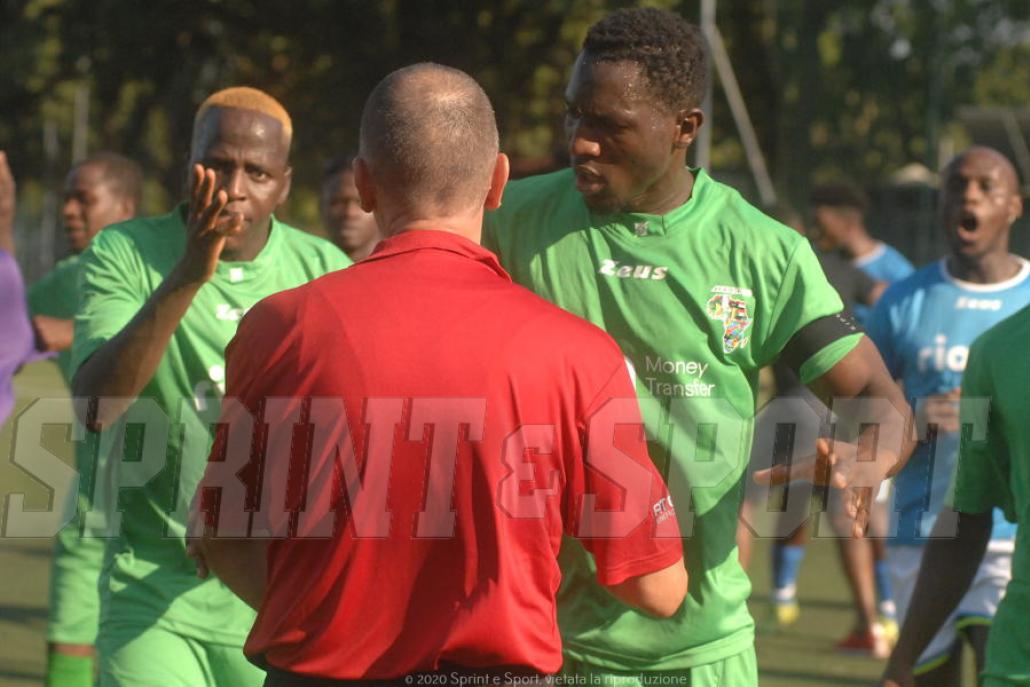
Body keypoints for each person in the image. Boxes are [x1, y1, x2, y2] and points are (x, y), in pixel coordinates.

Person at [190, 62, 687, 685]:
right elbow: (658, 589)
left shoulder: (278, 327)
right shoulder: (579, 354)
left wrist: (330, 618)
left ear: (363, 183)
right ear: (498, 180)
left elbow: (222, 536)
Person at [483, 7, 913, 684]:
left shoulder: (762, 253)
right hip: (542, 644)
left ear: (685, 128)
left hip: (700, 650)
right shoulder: (507, 220)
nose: (581, 142)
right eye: (574, 116)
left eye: (609, 125)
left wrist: (871, 457)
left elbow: (875, 396)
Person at [70, 86, 351, 687]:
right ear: (190, 164)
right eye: (219, 165)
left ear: (284, 184)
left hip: (274, 596)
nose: (235, 187)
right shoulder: (126, 251)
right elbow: (95, 406)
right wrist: (189, 274)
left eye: (258, 172)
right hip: (150, 597)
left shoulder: (324, 271)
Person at [877, 147, 1026, 686]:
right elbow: (859, 413)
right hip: (919, 527)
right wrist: (914, 421)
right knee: (928, 676)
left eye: (986, 186)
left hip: (1008, 532)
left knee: (996, 660)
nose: (969, 196)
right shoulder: (902, 301)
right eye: (957, 185)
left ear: (1014, 206)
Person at [36, 152, 141, 687]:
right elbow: (13, 324)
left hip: (163, 504)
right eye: (66, 199)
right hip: (91, 503)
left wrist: (72, 332)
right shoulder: (67, 278)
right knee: (69, 635)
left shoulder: (162, 265)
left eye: (84, 199)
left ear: (125, 207)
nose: (69, 211)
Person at [809, 182, 914, 326]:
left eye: (819, 224)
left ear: (849, 220)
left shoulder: (896, 269)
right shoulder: (820, 263)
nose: (814, 233)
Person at [320, 154, 380, 260]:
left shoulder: (402, 265)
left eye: (360, 202)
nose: (349, 213)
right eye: (338, 202)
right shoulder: (305, 266)